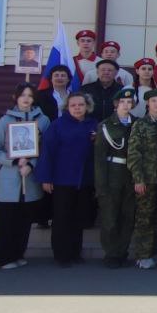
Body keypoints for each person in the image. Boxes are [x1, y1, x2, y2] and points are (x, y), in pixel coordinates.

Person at [0, 84, 50, 269]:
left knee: (24, 221)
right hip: (9, 179)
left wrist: (31, 164)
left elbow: (47, 149)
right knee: (7, 221)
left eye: (30, 96)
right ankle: (3, 257)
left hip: (30, 179)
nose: (26, 99)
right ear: (15, 97)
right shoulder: (5, 120)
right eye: (23, 95)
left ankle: (18, 253)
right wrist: (14, 161)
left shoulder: (43, 120)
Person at [37, 91, 97, 268]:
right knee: (62, 219)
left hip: (84, 180)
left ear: (87, 107)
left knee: (78, 219)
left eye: (81, 105)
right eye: (73, 105)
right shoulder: (57, 125)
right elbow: (47, 152)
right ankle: (62, 255)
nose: (77, 108)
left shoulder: (93, 124)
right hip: (62, 180)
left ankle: (75, 252)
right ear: (67, 107)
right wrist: (46, 178)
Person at [94, 87, 138, 269]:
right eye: (122, 102)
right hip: (113, 173)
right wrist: (101, 185)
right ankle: (111, 254)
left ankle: (122, 251)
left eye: (129, 102)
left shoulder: (137, 124)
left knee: (128, 216)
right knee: (110, 217)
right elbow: (99, 158)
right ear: (115, 104)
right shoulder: (106, 126)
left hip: (131, 175)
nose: (126, 105)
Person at [126, 87, 157, 268]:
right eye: (153, 101)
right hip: (147, 178)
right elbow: (134, 153)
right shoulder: (141, 125)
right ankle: (142, 254)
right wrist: (138, 178)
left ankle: (153, 249)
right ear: (148, 104)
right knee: (145, 217)